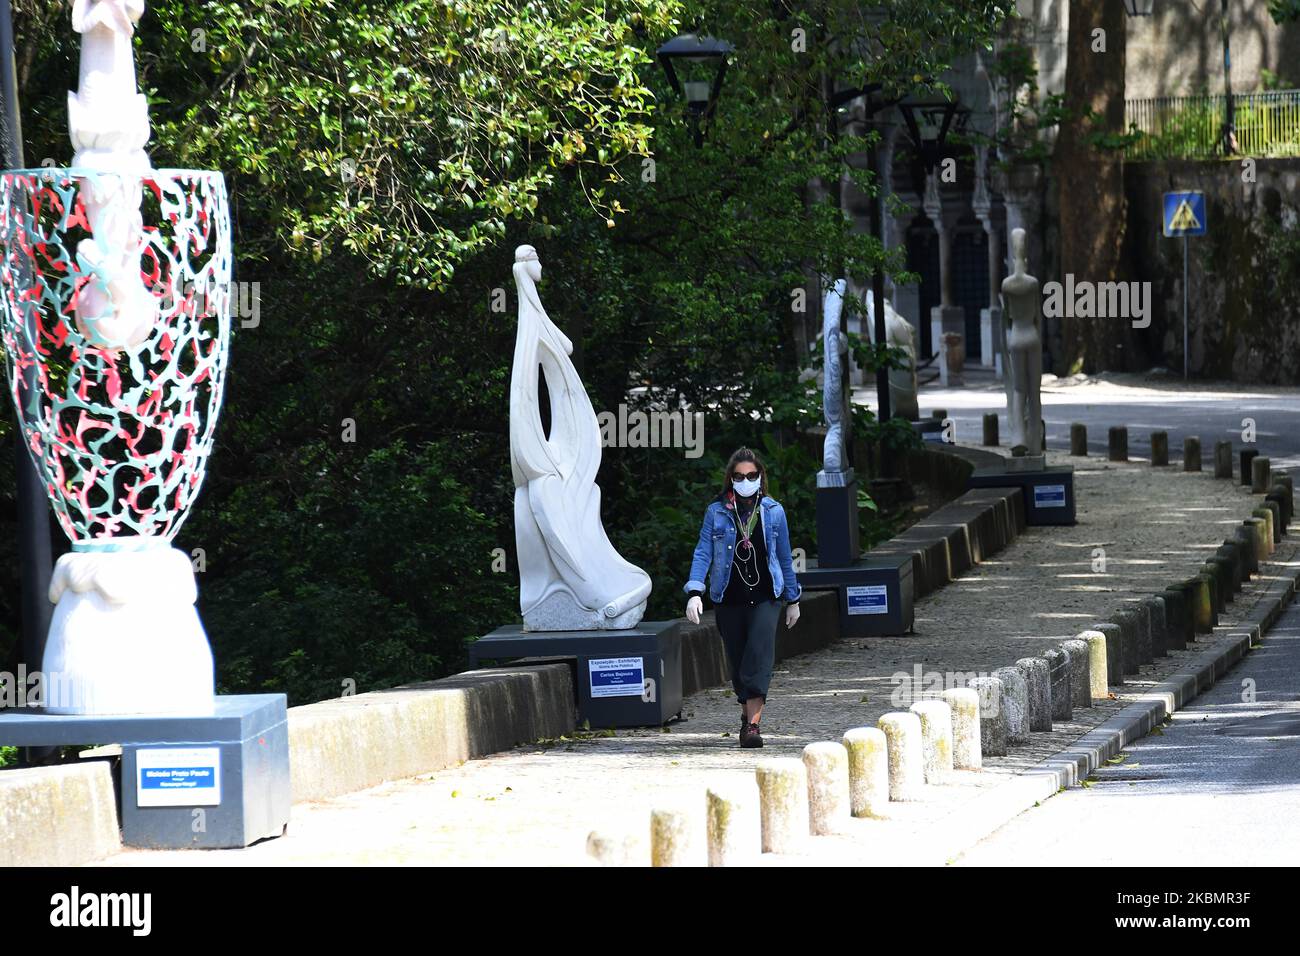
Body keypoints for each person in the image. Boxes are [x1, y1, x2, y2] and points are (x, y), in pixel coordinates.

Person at [683, 447, 801, 748]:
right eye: (739, 476)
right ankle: (747, 712)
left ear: (760, 477)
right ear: (730, 479)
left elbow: (785, 558)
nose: (745, 480)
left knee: (758, 657)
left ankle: (752, 726)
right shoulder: (717, 511)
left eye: (751, 475)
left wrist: (793, 599)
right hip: (729, 597)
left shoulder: (774, 512)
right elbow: (703, 552)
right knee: (738, 661)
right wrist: (695, 591)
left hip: (766, 597)